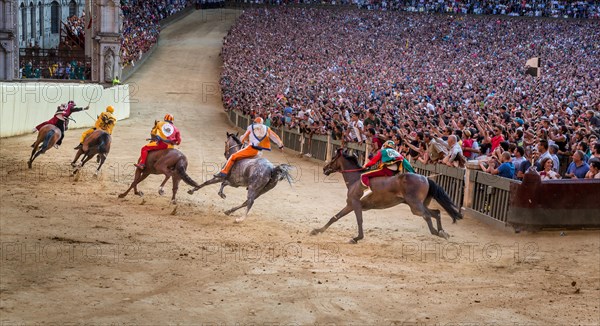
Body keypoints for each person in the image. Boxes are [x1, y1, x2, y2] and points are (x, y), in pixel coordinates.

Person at [214, 117, 284, 178]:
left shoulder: (251, 127)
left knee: (233, 156)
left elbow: (243, 138)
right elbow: (276, 137)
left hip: (251, 150)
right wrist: (281, 146)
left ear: (255, 122)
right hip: (259, 153)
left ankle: (223, 172)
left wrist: (243, 140)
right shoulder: (267, 129)